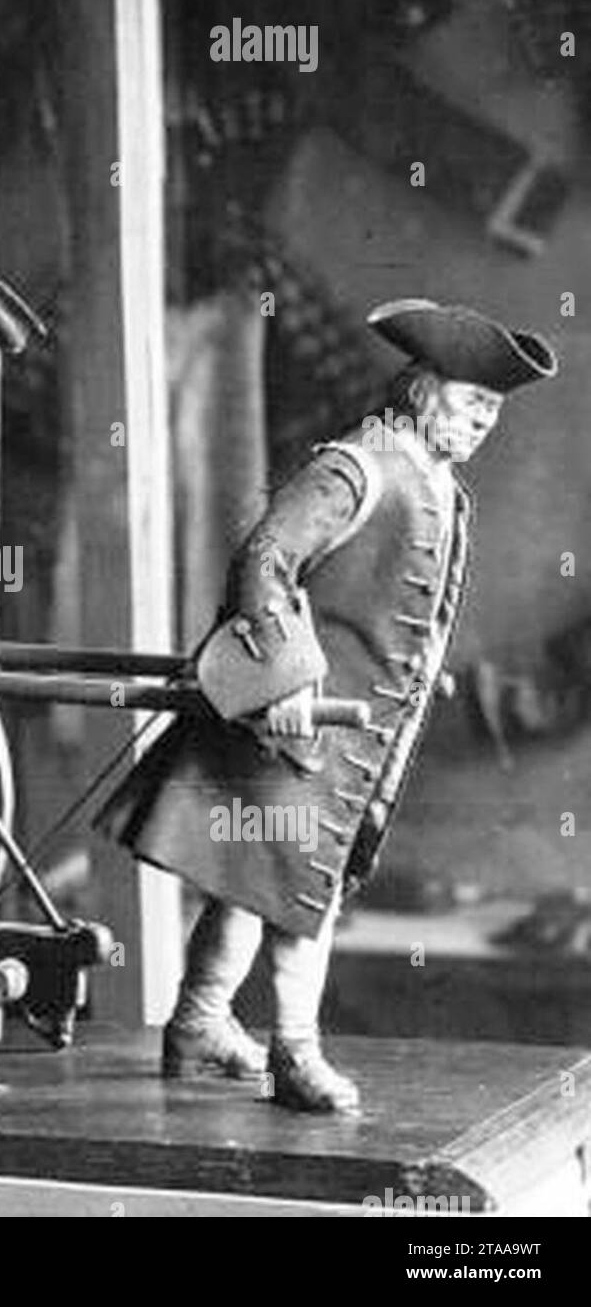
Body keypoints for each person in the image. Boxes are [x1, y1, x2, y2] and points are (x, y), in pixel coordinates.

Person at [98, 299, 558, 1112]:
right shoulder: (356, 466)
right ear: (421, 389)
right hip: (295, 730)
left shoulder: (437, 482)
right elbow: (264, 558)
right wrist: (284, 680)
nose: (481, 422)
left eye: (491, 410)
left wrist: (421, 670)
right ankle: (295, 1053)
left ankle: (198, 1022)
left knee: (256, 879)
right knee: (299, 893)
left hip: (355, 739)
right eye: (469, 402)